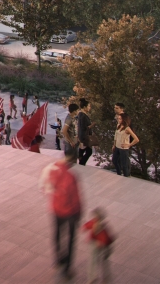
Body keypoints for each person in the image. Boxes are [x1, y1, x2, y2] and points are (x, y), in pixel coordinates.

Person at [39, 153, 82, 281]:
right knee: (70, 240)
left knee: (57, 234)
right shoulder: (70, 176)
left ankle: (58, 259)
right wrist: (78, 212)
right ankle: (67, 268)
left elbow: (44, 186)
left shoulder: (51, 169)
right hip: (70, 212)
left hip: (55, 209)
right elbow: (75, 197)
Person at [82, 208, 114, 284]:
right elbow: (85, 227)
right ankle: (93, 278)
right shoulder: (93, 223)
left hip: (102, 247)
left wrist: (100, 243)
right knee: (95, 261)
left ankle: (100, 278)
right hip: (95, 245)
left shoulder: (103, 229)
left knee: (100, 262)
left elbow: (106, 240)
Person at [76, 98, 94, 166]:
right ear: (84, 107)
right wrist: (92, 125)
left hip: (82, 136)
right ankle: (82, 163)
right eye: (88, 106)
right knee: (89, 151)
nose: (90, 108)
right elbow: (84, 127)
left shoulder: (81, 115)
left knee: (83, 150)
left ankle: (81, 162)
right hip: (84, 137)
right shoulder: (83, 116)